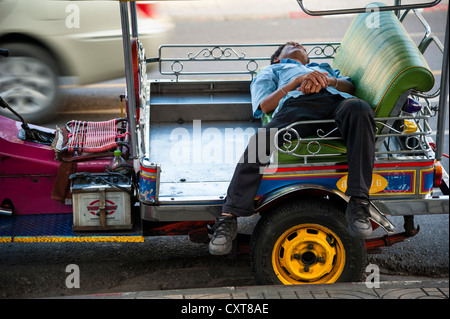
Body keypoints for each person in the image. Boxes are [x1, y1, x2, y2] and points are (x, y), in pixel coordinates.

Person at [209, 42, 376, 255]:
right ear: (278, 58)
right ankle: (229, 217)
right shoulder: (272, 70)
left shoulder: (322, 66)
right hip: (298, 108)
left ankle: (359, 203)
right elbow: (265, 106)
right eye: (289, 45)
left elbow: (350, 88)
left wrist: (327, 80)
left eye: (302, 46)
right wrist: (296, 82)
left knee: (360, 107)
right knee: (262, 140)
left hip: (337, 103)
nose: (298, 44)